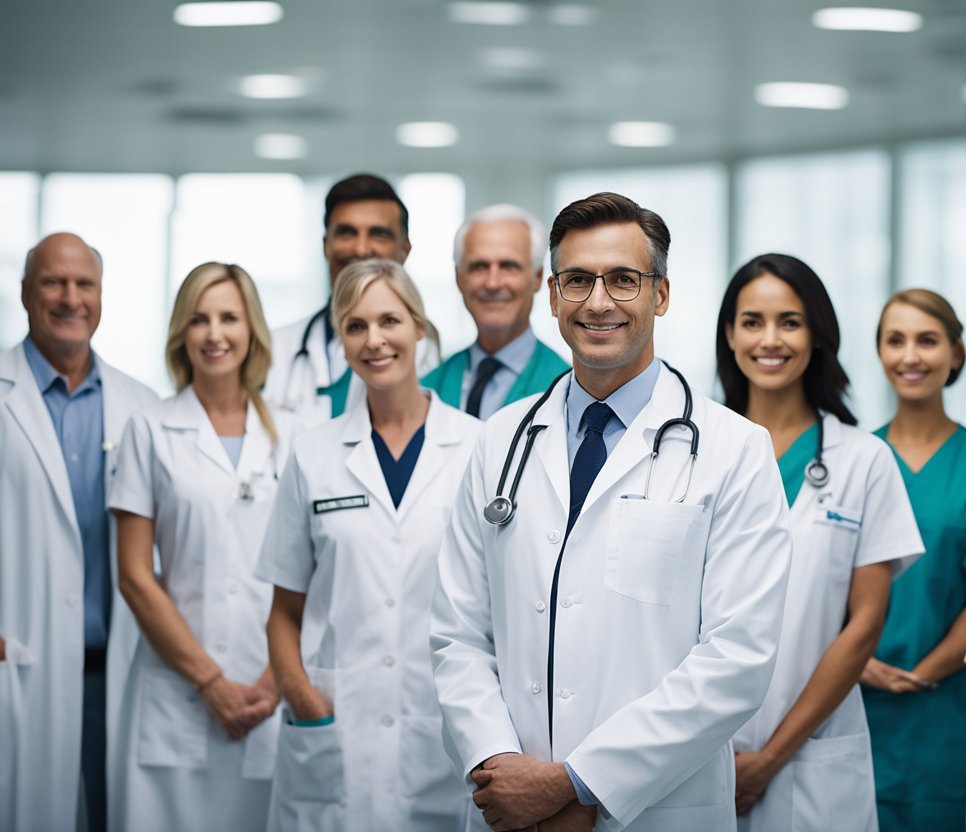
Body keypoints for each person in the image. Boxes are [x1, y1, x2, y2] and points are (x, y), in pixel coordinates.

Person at [431, 192, 793, 832]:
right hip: (510, 810)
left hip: (656, 811)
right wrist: (504, 770)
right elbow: (459, 634)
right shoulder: (501, 441)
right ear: (552, 294)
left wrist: (576, 786)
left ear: (661, 294)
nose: (598, 302)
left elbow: (736, 661)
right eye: (577, 280)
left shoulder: (734, 450)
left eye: (623, 280)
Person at [0, 232, 156, 831]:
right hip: (14, 670)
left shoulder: (143, 407)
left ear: (102, 295)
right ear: (27, 293)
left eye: (84, 283)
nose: (70, 298)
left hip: (118, 677)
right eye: (53, 282)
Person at [257, 258, 479, 830]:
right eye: (355, 326)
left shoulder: (479, 447)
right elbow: (283, 613)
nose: (374, 340)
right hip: (335, 731)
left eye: (390, 321)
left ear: (419, 328)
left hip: (444, 730)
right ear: (341, 341)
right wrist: (304, 701)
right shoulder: (314, 452)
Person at [715, 254, 923, 831]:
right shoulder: (692, 451)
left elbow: (864, 625)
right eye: (752, 321)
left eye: (790, 321)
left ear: (817, 336)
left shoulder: (863, 461)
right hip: (702, 746)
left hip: (813, 752)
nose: (770, 339)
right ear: (729, 334)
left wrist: (769, 759)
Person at [108, 263, 292, 830]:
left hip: (274, 693)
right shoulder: (150, 429)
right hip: (180, 692)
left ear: (251, 329)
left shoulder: (296, 433)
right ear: (181, 334)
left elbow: (317, 573)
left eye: (229, 318)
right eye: (200, 319)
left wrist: (272, 683)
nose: (215, 334)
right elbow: (136, 576)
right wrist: (211, 683)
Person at [862, 289, 966, 832]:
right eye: (895, 340)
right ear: (879, 353)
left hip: (949, 706)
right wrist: (859, 663)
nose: (911, 356)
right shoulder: (856, 459)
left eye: (928, 340)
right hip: (854, 698)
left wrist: (925, 672)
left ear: (955, 352)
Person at [264, 173, 440, 423]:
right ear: (326, 245)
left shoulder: (433, 356)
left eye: (378, 234)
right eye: (347, 233)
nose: (360, 248)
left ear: (405, 249)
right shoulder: (277, 349)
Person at [421, 204, 570, 418]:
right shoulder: (429, 387)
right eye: (479, 267)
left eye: (509, 266)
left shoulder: (567, 389)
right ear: (458, 278)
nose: (493, 283)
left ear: (537, 278)